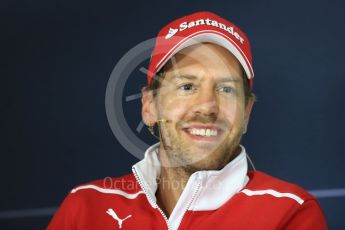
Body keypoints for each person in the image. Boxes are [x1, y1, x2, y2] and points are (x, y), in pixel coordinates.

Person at [48, 11, 327, 229]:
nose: (207, 106)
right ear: (149, 107)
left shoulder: (290, 212)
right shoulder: (86, 206)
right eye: (187, 86)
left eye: (226, 89)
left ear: (246, 114)